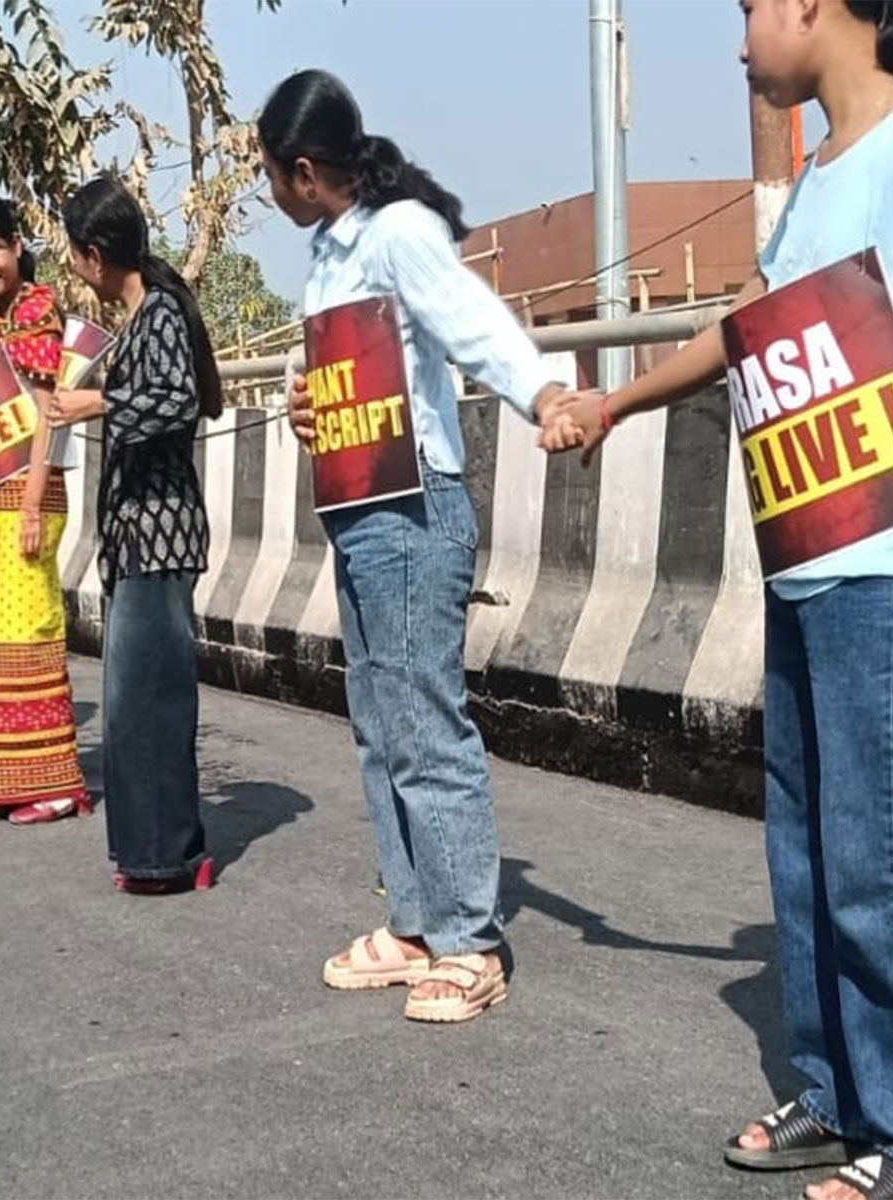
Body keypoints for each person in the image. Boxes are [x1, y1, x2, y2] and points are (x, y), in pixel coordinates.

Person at [542, 3, 893, 1198]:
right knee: (806, 847)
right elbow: (744, 333)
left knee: (880, 858)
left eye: (747, 13)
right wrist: (613, 404)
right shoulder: (820, 174)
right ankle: (841, 1096)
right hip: (808, 557)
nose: (738, 44)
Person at [263, 70, 577, 1020]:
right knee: (380, 725)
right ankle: (413, 920)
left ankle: (469, 941)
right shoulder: (329, 254)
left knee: (427, 721)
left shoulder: (400, 234)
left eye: (272, 175)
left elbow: (472, 323)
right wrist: (306, 403)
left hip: (415, 508)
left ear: (305, 170)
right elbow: (345, 374)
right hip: (359, 512)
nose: (270, 193)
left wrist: (543, 393)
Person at [49, 177, 215, 893]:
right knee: (133, 700)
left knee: (148, 700)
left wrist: (95, 401)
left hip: (161, 532)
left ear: (92, 255)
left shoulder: (161, 314)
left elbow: (177, 402)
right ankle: (154, 849)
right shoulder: (141, 316)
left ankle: (167, 854)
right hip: (136, 534)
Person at [0, 194, 89, 823]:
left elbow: (46, 415)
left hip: (30, 491)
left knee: (30, 634)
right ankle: (16, 774)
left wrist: (33, 502)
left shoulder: (36, 309)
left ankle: (54, 781)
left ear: (16, 245)